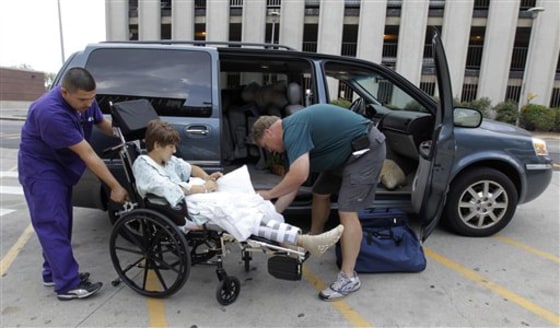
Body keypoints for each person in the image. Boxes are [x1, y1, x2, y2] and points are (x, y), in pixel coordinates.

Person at [132, 119, 344, 257]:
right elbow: (172, 189)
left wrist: (208, 178)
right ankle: (302, 241)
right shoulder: (144, 166)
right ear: (157, 146)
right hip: (182, 209)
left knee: (246, 203)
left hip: (194, 200)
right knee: (241, 213)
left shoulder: (167, 161)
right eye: (171, 147)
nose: (174, 150)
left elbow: (191, 168)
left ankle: (298, 242)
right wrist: (204, 188)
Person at [252, 103, 386, 301]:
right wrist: (271, 215)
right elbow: (293, 184)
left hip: (364, 152)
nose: (270, 151)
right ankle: (314, 240)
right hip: (343, 155)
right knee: (320, 192)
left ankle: (349, 277)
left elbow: (300, 174)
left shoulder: (292, 128)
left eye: (266, 146)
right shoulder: (289, 145)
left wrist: (269, 194)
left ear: (269, 131)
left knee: (347, 210)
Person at [18, 67, 128, 301]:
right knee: (52, 222)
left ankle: (53, 272)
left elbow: (102, 124)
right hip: (41, 169)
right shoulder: (49, 111)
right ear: (64, 92)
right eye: (83, 100)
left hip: (60, 166)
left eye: (92, 98)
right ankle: (67, 285)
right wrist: (115, 186)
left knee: (62, 222)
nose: (89, 104)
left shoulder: (86, 100)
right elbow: (88, 154)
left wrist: (128, 134)